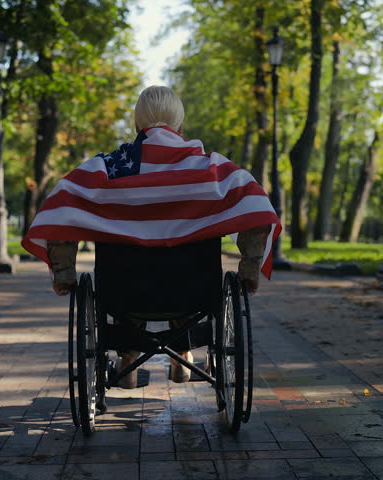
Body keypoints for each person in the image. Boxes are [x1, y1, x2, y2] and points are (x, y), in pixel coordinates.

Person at [28, 86, 276, 388]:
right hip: (194, 292)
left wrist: (65, 274)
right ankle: (181, 353)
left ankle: (128, 361)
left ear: (136, 124)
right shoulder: (213, 170)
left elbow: (60, 207)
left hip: (123, 293)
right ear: (180, 125)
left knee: (128, 275)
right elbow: (259, 208)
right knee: (184, 274)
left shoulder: (107, 169)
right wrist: (249, 270)